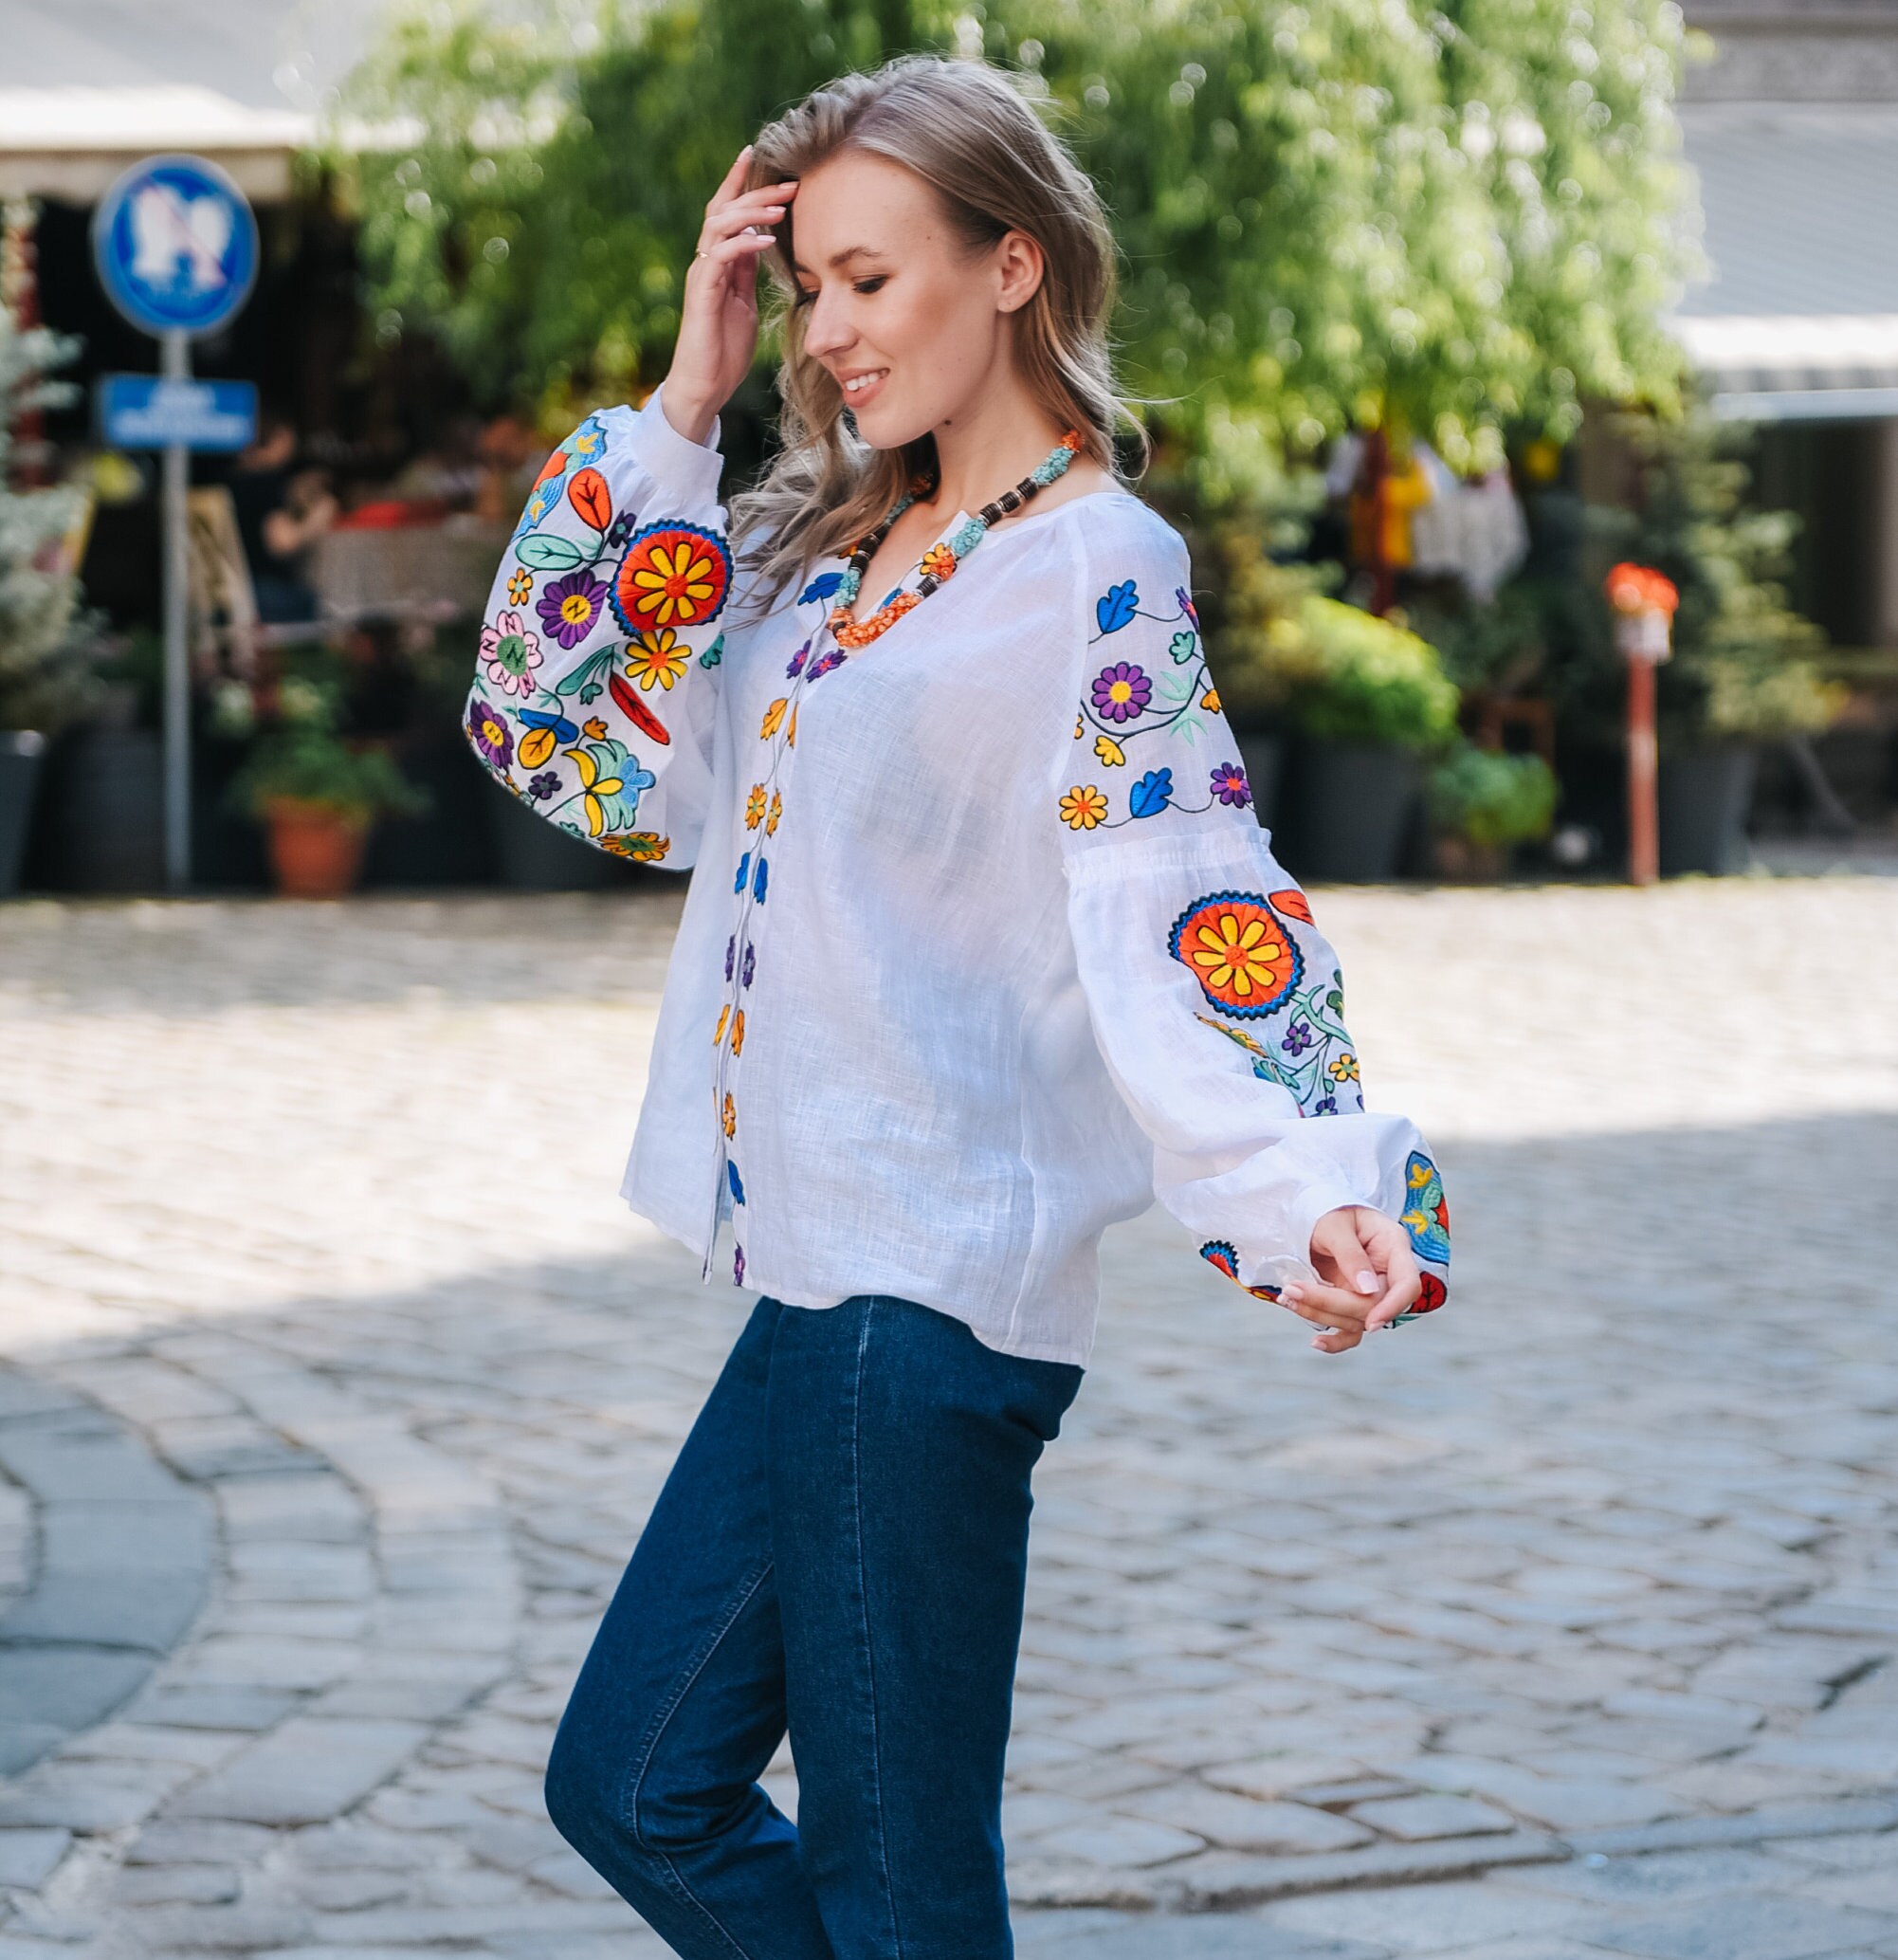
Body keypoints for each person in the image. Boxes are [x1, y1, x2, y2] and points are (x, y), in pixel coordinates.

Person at [464, 54, 1451, 1958]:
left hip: (922, 1307)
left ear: (1010, 267)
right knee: (636, 1784)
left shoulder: (1093, 569)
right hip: (813, 1285)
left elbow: (1183, 897)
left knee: (901, 1891)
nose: (824, 333)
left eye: (869, 278)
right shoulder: (813, 568)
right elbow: (560, 731)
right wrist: (684, 389)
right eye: (805, 285)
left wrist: (1304, 1175)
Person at [226, 415, 337, 623]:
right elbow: (282, 542)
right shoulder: (266, 482)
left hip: (233, 590)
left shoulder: (233, 478)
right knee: (329, 602)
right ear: (279, 438)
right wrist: (317, 518)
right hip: (267, 592)